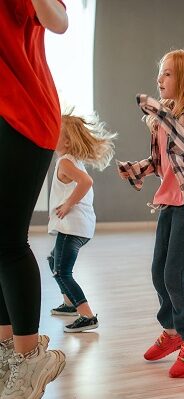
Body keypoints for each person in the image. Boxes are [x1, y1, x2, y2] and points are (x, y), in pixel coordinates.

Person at [118, 49, 184, 378]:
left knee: (177, 277)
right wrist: (138, 169)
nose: (159, 80)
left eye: (166, 74)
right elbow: (164, 163)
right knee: (158, 273)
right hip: (169, 203)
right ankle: (174, 332)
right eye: (160, 73)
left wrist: (160, 115)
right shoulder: (165, 118)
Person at [0, 0, 68, 399]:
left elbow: (57, 21)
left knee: (6, 239)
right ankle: (8, 351)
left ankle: (29, 359)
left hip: (22, 117)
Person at [48, 112, 116, 332]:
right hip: (78, 226)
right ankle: (69, 304)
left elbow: (87, 181)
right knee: (53, 260)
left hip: (72, 227)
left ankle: (87, 316)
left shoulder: (66, 162)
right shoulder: (70, 160)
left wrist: (68, 204)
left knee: (62, 271)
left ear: (67, 141)